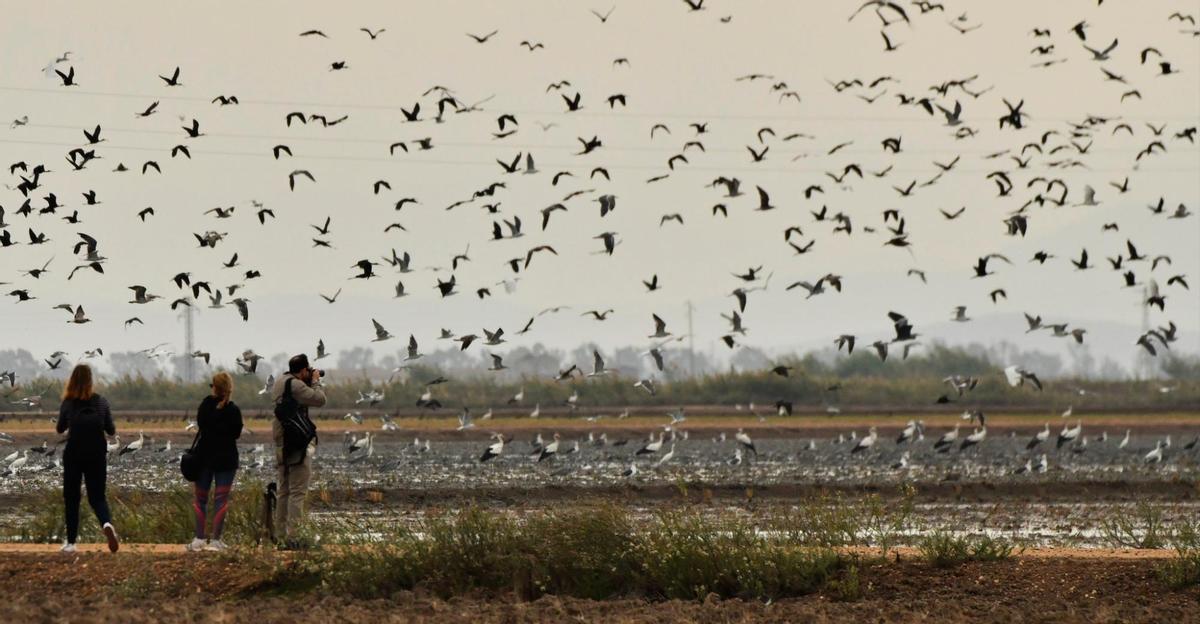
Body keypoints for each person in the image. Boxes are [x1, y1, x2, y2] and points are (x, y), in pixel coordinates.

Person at [55, 363, 120, 553]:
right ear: (91, 381)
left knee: (72, 497)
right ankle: (107, 524)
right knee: (97, 496)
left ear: (72, 380)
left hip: (74, 453)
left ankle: (71, 543)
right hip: (97, 454)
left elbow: (59, 428)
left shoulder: (68, 402)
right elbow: (111, 429)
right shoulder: (101, 401)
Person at [271, 354, 325, 547]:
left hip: (281, 442)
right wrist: (316, 382)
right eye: (307, 371)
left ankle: (281, 537)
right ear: (303, 371)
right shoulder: (296, 385)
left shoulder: (280, 382)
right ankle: (294, 538)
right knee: (297, 491)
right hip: (297, 444)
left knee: (284, 490)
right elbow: (320, 400)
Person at [187, 371, 244, 552]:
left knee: (200, 499)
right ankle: (216, 541)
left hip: (204, 458)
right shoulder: (233, 410)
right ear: (229, 389)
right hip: (226, 460)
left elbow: (202, 425)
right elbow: (236, 433)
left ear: (215, 387)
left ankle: (199, 539)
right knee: (221, 500)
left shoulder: (205, 405)